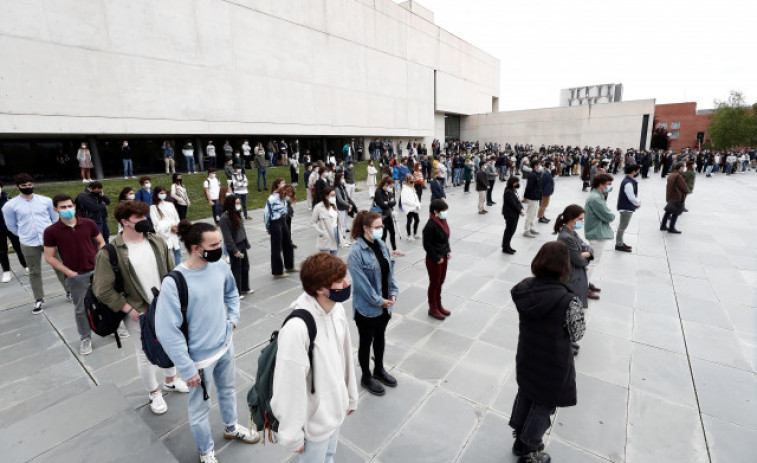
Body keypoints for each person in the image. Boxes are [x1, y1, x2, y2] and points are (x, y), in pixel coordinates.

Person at [155, 220, 258, 463]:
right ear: (195, 248)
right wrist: (187, 369)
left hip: (224, 346)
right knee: (200, 408)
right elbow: (167, 331)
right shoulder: (174, 282)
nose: (219, 248)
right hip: (199, 360)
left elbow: (231, 293)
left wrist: (232, 319)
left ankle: (231, 427)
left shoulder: (220, 266)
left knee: (227, 390)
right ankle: (205, 450)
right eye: (213, 244)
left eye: (220, 243)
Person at [92, 200, 189, 416]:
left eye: (146, 217)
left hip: (165, 306)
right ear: (125, 222)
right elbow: (102, 290)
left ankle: (171, 381)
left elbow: (172, 272)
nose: (145, 221)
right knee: (145, 353)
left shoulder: (156, 241)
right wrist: (129, 310)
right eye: (140, 219)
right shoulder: (109, 253)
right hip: (137, 311)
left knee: (172, 344)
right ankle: (154, 392)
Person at [272, 252, 358, 462]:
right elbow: (288, 386)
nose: (346, 284)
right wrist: (292, 436)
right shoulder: (296, 328)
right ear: (320, 289)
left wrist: (350, 396)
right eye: (339, 281)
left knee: (330, 457)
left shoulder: (336, 310)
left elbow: (346, 355)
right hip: (314, 423)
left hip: (335, 411)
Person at [509, 241, 581, 463]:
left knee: (527, 393)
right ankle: (529, 450)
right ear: (564, 267)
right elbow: (577, 334)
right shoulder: (569, 300)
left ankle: (519, 438)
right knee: (544, 404)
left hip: (528, 354)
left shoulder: (523, 288)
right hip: (553, 361)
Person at [44, 194, 105, 355]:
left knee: (106, 301)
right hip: (76, 276)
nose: (67, 210)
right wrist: (69, 272)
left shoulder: (88, 223)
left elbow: (101, 241)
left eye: (70, 206)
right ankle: (85, 338)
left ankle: (112, 327)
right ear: (56, 210)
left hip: (97, 271)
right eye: (63, 207)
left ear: (75, 206)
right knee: (81, 309)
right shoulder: (51, 231)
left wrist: (101, 261)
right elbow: (49, 256)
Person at [348, 211, 399, 396]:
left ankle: (379, 369)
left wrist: (393, 293)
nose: (381, 229)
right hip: (368, 309)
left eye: (381, 226)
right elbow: (362, 286)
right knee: (365, 342)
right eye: (377, 227)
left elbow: (389, 272)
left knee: (380, 338)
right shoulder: (355, 253)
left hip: (386, 304)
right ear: (365, 229)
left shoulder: (382, 245)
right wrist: (380, 301)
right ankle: (366, 376)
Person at [2, 173, 64, 314]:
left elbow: (54, 219)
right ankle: (39, 299)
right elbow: (11, 225)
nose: (27, 187)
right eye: (24, 186)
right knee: (34, 271)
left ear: (33, 184)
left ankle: (69, 292)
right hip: (28, 242)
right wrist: (24, 234)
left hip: (48, 240)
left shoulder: (46, 201)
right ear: (17, 187)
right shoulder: (10, 206)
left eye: (30, 185)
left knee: (59, 266)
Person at [555, 205, 591, 311]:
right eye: (580, 219)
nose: (582, 221)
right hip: (572, 278)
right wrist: (587, 254)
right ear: (571, 220)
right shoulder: (566, 237)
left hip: (576, 275)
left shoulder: (572, 232)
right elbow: (579, 261)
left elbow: (587, 247)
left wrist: (586, 252)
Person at [584, 172, 614, 298]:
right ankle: (583, 287)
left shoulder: (597, 195)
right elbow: (608, 215)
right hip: (596, 233)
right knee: (593, 262)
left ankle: (586, 283)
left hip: (596, 231)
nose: (610, 187)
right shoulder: (596, 198)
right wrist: (611, 215)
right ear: (600, 185)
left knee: (592, 261)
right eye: (608, 184)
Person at [422, 199, 452, 320]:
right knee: (434, 283)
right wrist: (437, 257)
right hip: (434, 259)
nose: (445, 213)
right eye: (443, 211)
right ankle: (432, 308)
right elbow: (427, 245)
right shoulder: (430, 226)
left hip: (443, 255)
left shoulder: (442, 221)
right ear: (436, 211)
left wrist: (447, 250)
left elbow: (445, 238)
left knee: (440, 281)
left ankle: (439, 305)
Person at [220, 195, 253, 299]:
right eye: (237, 203)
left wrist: (246, 243)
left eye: (239, 203)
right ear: (231, 204)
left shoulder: (237, 214)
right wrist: (235, 250)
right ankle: (237, 292)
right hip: (235, 247)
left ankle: (245, 287)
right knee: (236, 269)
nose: (239, 205)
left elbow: (242, 230)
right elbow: (227, 237)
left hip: (242, 244)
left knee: (245, 266)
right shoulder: (224, 218)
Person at [264, 184, 298, 278]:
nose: (289, 196)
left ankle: (289, 266)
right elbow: (266, 214)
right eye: (288, 194)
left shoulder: (283, 199)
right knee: (276, 248)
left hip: (283, 221)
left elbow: (285, 209)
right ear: (284, 191)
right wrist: (268, 227)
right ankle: (277, 271)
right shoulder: (272, 199)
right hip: (275, 222)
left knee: (288, 244)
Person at [0, 182, 28, 283]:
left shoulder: (9, 199)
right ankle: (6, 271)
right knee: (2, 251)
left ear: (1, 187)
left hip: (11, 227)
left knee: (18, 247)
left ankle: (25, 265)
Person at [150, 186, 182, 265]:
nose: (163, 195)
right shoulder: (153, 208)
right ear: (156, 194)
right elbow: (156, 224)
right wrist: (170, 227)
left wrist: (176, 227)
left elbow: (176, 218)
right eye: (161, 193)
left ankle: (178, 270)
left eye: (164, 193)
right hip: (164, 234)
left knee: (178, 254)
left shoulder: (170, 204)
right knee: (167, 257)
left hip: (175, 233)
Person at [615, 165, 641, 252]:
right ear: (633, 171)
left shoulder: (628, 181)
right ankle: (619, 244)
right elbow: (631, 197)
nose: (638, 173)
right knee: (622, 226)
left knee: (623, 226)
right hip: (626, 207)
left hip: (626, 206)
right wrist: (637, 203)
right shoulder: (628, 183)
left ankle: (620, 242)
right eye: (637, 171)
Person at [660, 162, 689, 234]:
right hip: (677, 197)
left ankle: (663, 226)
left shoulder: (671, 175)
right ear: (680, 168)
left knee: (668, 212)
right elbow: (684, 187)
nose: (684, 169)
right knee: (675, 213)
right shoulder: (678, 176)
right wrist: (686, 191)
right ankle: (671, 228)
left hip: (671, 196)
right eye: (683, 167)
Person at [373, 177, 399, 253]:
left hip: (389, 214)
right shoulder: (379, 192)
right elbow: (381, 204)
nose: (389, 188)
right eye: (388, 186)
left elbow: (394, 202)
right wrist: (388, 202)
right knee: (383, 235)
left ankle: (394, 249)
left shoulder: (388, 192)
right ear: (384, 184)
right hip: (382, 216)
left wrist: (387, 202)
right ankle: (382, 250)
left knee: (392, 232)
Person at [311, 187, 339, 255]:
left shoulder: (334, 205)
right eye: (332, 195)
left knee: (334, 258)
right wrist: (321, 232)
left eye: (334, 195)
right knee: (325, 260)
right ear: (326, 196)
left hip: (335, 233)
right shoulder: (318, 207)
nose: (334, 197)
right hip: (326, 235)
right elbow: (313, 222)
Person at [502, 176, 525, 254]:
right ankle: (505, 247)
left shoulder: (512, 190)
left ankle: (507, 246)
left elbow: (517, 201)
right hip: (510, 214)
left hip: (514, 213)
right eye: (516, 182)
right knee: (509, 231)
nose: (517, 184)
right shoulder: (508, 191)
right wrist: (520, 211)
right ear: (513, 182)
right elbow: (513, 204)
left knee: (511, 230)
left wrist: (521, 208)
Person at [334, 173, 357, 248]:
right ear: (338, 179)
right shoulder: (337, 188)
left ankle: (343, 239)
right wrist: (348, 205)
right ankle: (341, 241)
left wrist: (350, 204)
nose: (343, 179)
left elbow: (347, 197)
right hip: (341, 208)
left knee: (345, 224)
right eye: (342, 178)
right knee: (341, 225)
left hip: (346, 207)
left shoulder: (342, 186)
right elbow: (340, 200)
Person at [522, 161, 543, 238]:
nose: (539, 166)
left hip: (536, 196)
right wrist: (525, 197)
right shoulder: (532, 175)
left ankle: (531, 228)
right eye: (538, 165)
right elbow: (529, 187)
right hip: (532, 197)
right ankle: (526, 230)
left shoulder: (536, 174)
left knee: (533, 213)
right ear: (535, 166)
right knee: (530, 214)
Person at [400, 174, 421, 240]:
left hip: (414, 207)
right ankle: (409, 235)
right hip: (409, 207)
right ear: (408, 180)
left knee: (417, 220)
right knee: (409, 221)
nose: (413, 181)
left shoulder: (412, 187)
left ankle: (415, 233)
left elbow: (415, 197)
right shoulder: (404, 189)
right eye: (411, 180)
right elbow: (405, 200)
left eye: (413, 180)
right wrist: (413, 204)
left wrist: (417, 204)